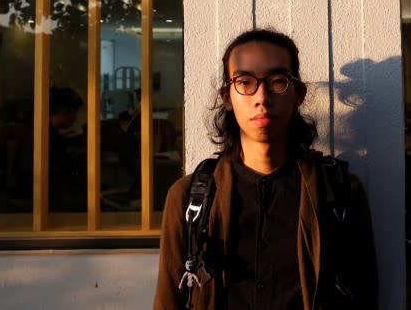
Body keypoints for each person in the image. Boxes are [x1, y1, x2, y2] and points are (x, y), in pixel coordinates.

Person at [154, 28, 378, 310]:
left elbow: (365, 296)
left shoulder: (341, 192)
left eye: (277, 81)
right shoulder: (188, 197)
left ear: (297, 93)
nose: (262, 96)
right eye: (245, 82)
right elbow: (168, 301)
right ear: (227, 97)